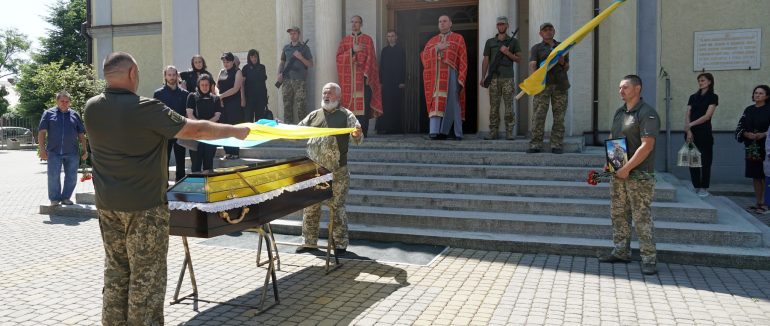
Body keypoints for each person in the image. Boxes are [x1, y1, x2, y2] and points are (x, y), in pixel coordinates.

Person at [84, 52, 249, 325]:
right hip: (144, 208)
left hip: (107, 205)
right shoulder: (146, 108)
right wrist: (234, 130)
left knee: (116, 271)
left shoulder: (92, 107)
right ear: (133, 74)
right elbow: (195, 130)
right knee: (146, 278)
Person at [598, 75, 660, 276]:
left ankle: (649, 258)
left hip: (639, 176)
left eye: (625, 87)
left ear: (637, 89)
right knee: (618, 214)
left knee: (641, 217)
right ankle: (621, 251)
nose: (621, 91)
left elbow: (647, 146)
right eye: (619, 88)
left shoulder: (647, 113)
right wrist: (611, 165)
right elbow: (613, 139)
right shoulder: (619, 113)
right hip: (619, 174)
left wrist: (627, 169)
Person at [296, 82, 363, 255]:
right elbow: (297, 132)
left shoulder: (346, 115)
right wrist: (280, 127)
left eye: (330, 93)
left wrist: (356, 133)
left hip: (337, 173)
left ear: (338, 97)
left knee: (337, 208)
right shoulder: (314, 115)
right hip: (314, 172)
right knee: (310, 206)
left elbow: (358, 137)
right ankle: (308, 242)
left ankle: (340, 244)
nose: (326, 96)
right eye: (324, 93)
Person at [421, 14, 468, 140]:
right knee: (436, 103)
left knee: (454, 103)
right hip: (435, 77)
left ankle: (456, 133)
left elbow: (463, 59)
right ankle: (434, 131)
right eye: (440, 21)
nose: (442, 23)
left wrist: (461, 78)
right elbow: (423, 56)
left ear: (450, 23)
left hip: (451, 74)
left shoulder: (458, 38)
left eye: (444, 21)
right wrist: (437, 48)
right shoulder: (432, 41)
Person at [336, 15, 383, 138]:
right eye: (352, 22)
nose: (354, 25)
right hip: (349, 82)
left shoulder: (368, 40)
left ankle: (363, 133)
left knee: (364, 108)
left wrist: (367, 73)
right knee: (349, 108)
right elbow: (339, 58)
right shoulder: (345, 41)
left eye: (357, 22)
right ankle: (350, 133)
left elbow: (372, 58)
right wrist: (352, 50)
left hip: (363, 80)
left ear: (361, 24)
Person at [37, 91, 87, 206]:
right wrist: (42, 150)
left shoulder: (74, 115)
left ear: (69, 102)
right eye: (62, 101)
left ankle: (66, 198)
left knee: (72, 177)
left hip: (72, 152)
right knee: (53, 176)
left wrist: (84, 150)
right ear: (57, 101)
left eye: (67, 101)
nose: (64, 103)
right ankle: (54, 199)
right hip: (54, 151)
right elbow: (41, 132)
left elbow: (81, 134)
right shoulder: (48, 114)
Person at [527, 22, 570, 154]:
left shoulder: (562, 46)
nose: (548, 32)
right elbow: (533, 64)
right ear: (541, 33)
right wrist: (535, 79)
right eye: (545, 30)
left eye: (550, 29)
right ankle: (535, 144)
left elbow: (567, 67)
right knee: (538, 115)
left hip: (560, 85)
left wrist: (563, 62)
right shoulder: (537, 48)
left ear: (554, 31)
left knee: (559, 116)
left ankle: (556, 144)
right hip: (543, 86)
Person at [480, 16, 521, 140]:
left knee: (509, 106)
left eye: (503, 24)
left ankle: (509, 132)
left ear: (507, 26)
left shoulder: (513, 42)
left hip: (508, 78)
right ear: (497, 26)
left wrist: (507, 53)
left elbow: (519, 59)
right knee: (494, 107)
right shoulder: (490, 42)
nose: (501, 26)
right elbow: (486, 59)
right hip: (493, 78)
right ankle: (493, 132)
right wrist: (483, 76)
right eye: (499, 24)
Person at [735, 85, 770, 214]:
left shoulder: (769, 109)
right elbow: (740, 126)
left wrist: (764, 134)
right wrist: (746, 134)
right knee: (756, 175)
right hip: (752, 147)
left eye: (761, 93)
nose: (757, 95)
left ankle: (767, 203)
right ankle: (758, 202)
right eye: (756, 93)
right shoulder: (749, 110)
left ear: (767, 96)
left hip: (766, 147)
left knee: (766, 176)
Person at [154, 66, 190, 182]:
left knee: (181, 161)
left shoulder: (185, 94)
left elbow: (187, 114)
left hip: (181, 131)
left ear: (177, 76)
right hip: (165, 132)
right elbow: (156, 114)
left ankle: (179, 188)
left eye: (174, 75)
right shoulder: (158, 94)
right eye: (169, 75)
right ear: (165, 76)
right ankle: (164, 190)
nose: (172, 77)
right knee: (164, 162)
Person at [684, 73, 717, 197]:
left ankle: (704, 187)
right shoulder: (693, 97)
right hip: (691, 132)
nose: (700, 82)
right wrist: (688, 130)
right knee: (692, 161)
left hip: (704, 132)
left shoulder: (713, 97)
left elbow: (707, 116)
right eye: (699, 80)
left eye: (703, 80)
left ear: (709, 82)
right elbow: (687, 113)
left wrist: (690, 125)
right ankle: (696, 186)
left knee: (705, 160)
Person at [186, 74, 223, 173]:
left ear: (210, 85)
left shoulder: (216, 99)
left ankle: (208, 187)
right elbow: (190, 114)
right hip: (196, 134)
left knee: (208, 163)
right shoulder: (192, 96)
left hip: (210, 135)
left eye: (206, 85)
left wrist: (205, 125)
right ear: (198, 85)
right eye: (202, 85)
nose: (204, 87)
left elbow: (217, 116)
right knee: (196, 164)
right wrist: (199, 126)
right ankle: (196, 187)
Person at [278, 26, 314, 124]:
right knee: (287, 106)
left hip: (300, 81)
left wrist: (301, 57)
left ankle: (303, 129)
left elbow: (310, 64)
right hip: (286, 80)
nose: (292, 35)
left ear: (298, 34)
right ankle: (288, 129)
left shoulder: (304, 48)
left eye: (294, 33)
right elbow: (282, 62)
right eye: (291, 34)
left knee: (301, 106)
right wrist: (279, 74)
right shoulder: (286, 48)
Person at [376, 30, 406, 134]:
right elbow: (381, 66)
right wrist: (380, 81)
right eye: (388, 36)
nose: (390, 38)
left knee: (396, 104)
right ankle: (385, 127)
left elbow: (403, 66)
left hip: (397, 83)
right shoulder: (384, 50)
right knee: (386, 104)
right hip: (386, 82)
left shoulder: (400, 50)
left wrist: (402, 81)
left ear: (396, 37)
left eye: (392, 36)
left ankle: (396, 128)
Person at [217, 52, 245, 159]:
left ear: (233, 61)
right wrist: (218, 97)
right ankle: (227, 151)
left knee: (233, 127)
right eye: (224, 62)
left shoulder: (238, 72)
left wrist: (221, 96)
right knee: (224, 127)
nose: (225, 64)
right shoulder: (221, 72)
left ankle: (234, 152)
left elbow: (235, 88)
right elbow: (216, 86)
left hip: (233, 103)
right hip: (222, 103)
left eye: (227, 61)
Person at [241, 49, 268, 122]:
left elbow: (263, 83)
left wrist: (265, 99)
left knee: (260, 120)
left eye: (255, 57)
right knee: (248, 119)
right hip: (249, 99)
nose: (254, 59)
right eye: (252, 57)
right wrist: (243, 98)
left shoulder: (262, 67)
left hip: (260, 98)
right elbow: (242, 84)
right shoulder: (245, 68)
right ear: (249, 58)